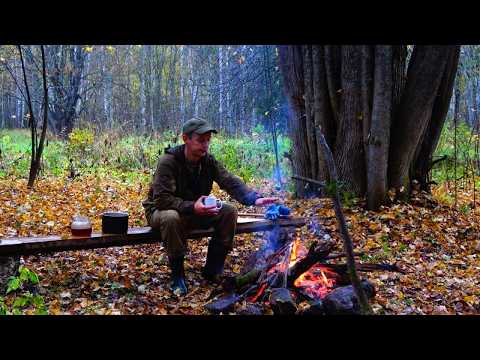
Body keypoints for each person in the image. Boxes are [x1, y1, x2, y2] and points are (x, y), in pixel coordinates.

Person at [143, 117, 278, 296]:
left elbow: (228, 180)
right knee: (170, 217)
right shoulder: (169, 161)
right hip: (161, 212)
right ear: (186, 139)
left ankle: (212, 270)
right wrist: (193, 207)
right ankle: (178, 277)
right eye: (200, 140)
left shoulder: (207, 161)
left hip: (193, 211)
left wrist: (254, 199)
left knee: (229, 211)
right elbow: (162, 199)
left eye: (208, 140)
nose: (205, 145)